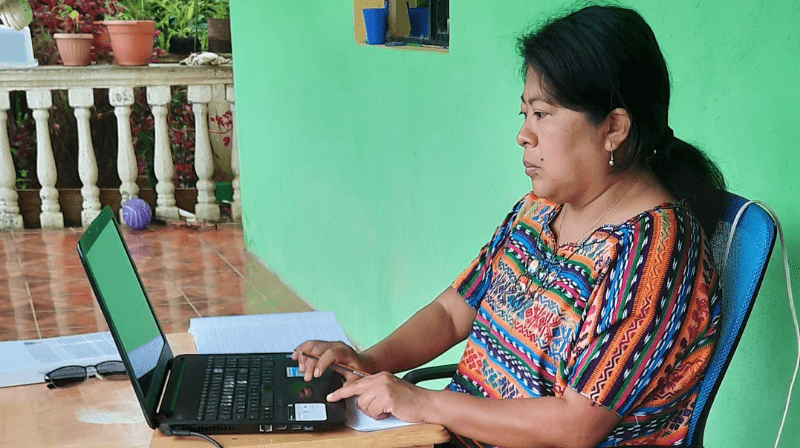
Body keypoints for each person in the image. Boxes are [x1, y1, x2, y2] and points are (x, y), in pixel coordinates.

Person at [293, 5, 726, 447]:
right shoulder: (541, 208)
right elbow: (452, 312)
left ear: (613, 128)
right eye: (524, 115)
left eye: (542, 114)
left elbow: (574, 427)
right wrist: (368, 361)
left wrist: (421, 401)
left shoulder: (654, 253)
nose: (524, 134)